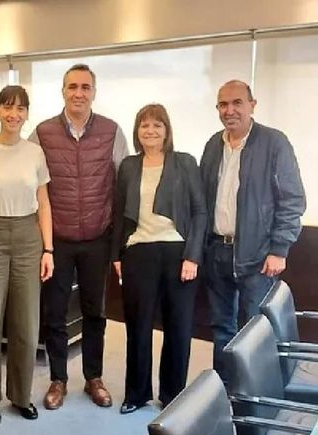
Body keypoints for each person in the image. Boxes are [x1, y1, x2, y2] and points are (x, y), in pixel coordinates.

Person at [30, 63, 129, 410]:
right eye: (72, 87)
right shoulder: (41, 133)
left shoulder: (112, 131)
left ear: (94, 92)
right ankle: (58, 379)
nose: (79, 93)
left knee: (94, 313)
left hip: (97, 239)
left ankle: (93, 378)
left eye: (85, 87)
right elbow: (31, 184)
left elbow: (123, 185)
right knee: (54, 313)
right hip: (57, 242)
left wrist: (118, 240)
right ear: (63, 91)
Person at [201, 80, 305, 382]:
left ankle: (252, 395)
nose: (229, 110)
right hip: (217, 251)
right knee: (221, 327)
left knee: (254, 330)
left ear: (252, 105)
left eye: (236, 103)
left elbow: (292, 199)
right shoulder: (212, 145)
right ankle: (223, 391)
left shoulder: (274, 143)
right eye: (223, 104)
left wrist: (279, 249)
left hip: (258, 256)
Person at [111, 104, 206, 414]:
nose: (150, 130)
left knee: (178, 328)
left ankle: (172, 395)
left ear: (167, 130)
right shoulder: (128, 165)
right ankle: (136, 394)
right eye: (144, 125)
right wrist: (117, 255)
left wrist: (192, 255)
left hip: (178, 254)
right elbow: (119, 213)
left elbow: (200, 212)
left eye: (157, 125)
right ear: (137, 131)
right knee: (138, 327)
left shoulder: (185, 163)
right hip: (139, 252)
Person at [0, 85, 53, 426]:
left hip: (28, 238)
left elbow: (44, 203)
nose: (14, 114)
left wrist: (48, 249)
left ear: (26, 113)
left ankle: (21, 395)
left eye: (20, 108)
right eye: (8, 107)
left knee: (26, 326)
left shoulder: (35, 152)